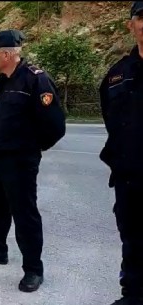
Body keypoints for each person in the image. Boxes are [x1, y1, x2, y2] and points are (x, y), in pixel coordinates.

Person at [0, 29, 66, 293]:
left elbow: (55, 125)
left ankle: (33, 269)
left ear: (7, 54)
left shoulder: (35, 80)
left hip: (20, 159)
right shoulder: (1, 82)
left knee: (25, 214)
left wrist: (31, 148)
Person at [100, 3, 143, 304]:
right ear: (130, 25)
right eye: (141, 17)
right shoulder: (116, 76)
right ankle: (133, 295)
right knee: (132, 240)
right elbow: (111, 122)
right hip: (130, 179)